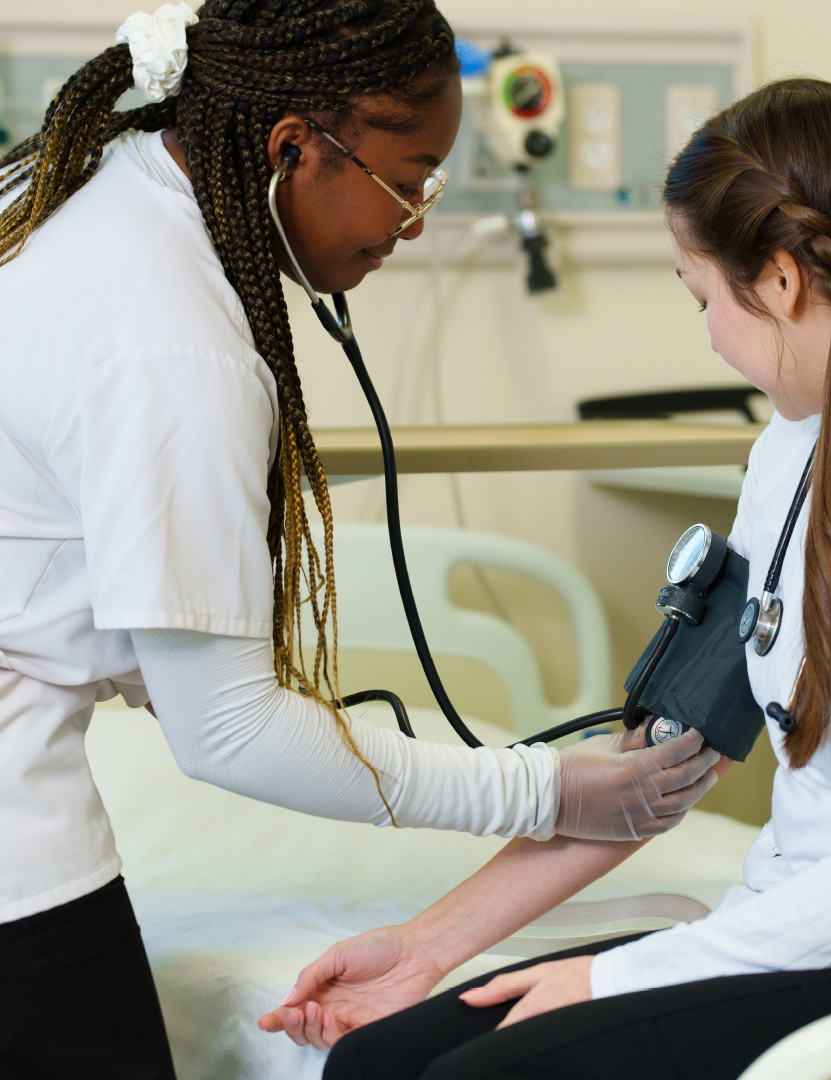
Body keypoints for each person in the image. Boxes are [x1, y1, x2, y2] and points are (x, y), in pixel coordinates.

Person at [263, 78, 831, 1080]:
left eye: (703, 298)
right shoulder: (800, 439)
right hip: (808, 932)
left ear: (780, 283)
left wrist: (619, 980)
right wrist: (427, 947)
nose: (708, 336)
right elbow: (670, 759)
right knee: (381, 1065)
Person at [0, 2, 721, 1076]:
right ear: (293, 145)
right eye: (408, 175)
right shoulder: (176, 348)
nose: (416, 219)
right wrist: (547, 787)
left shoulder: (70, 184)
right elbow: (229, 736)